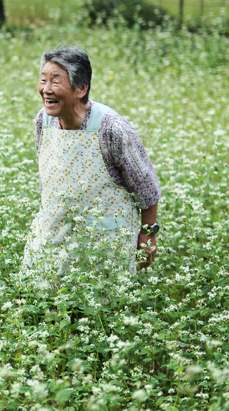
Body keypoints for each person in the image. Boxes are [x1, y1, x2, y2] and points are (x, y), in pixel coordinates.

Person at [21, 46, 160, 291]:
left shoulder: (112, 129)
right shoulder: (43, 120)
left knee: (100, 312)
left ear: (81, 88)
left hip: (104, 246)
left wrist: (148, 235)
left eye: (56, 81)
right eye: (43, 80)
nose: (46, 89)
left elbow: (147, 189)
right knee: (44, 309)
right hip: (53, 237)